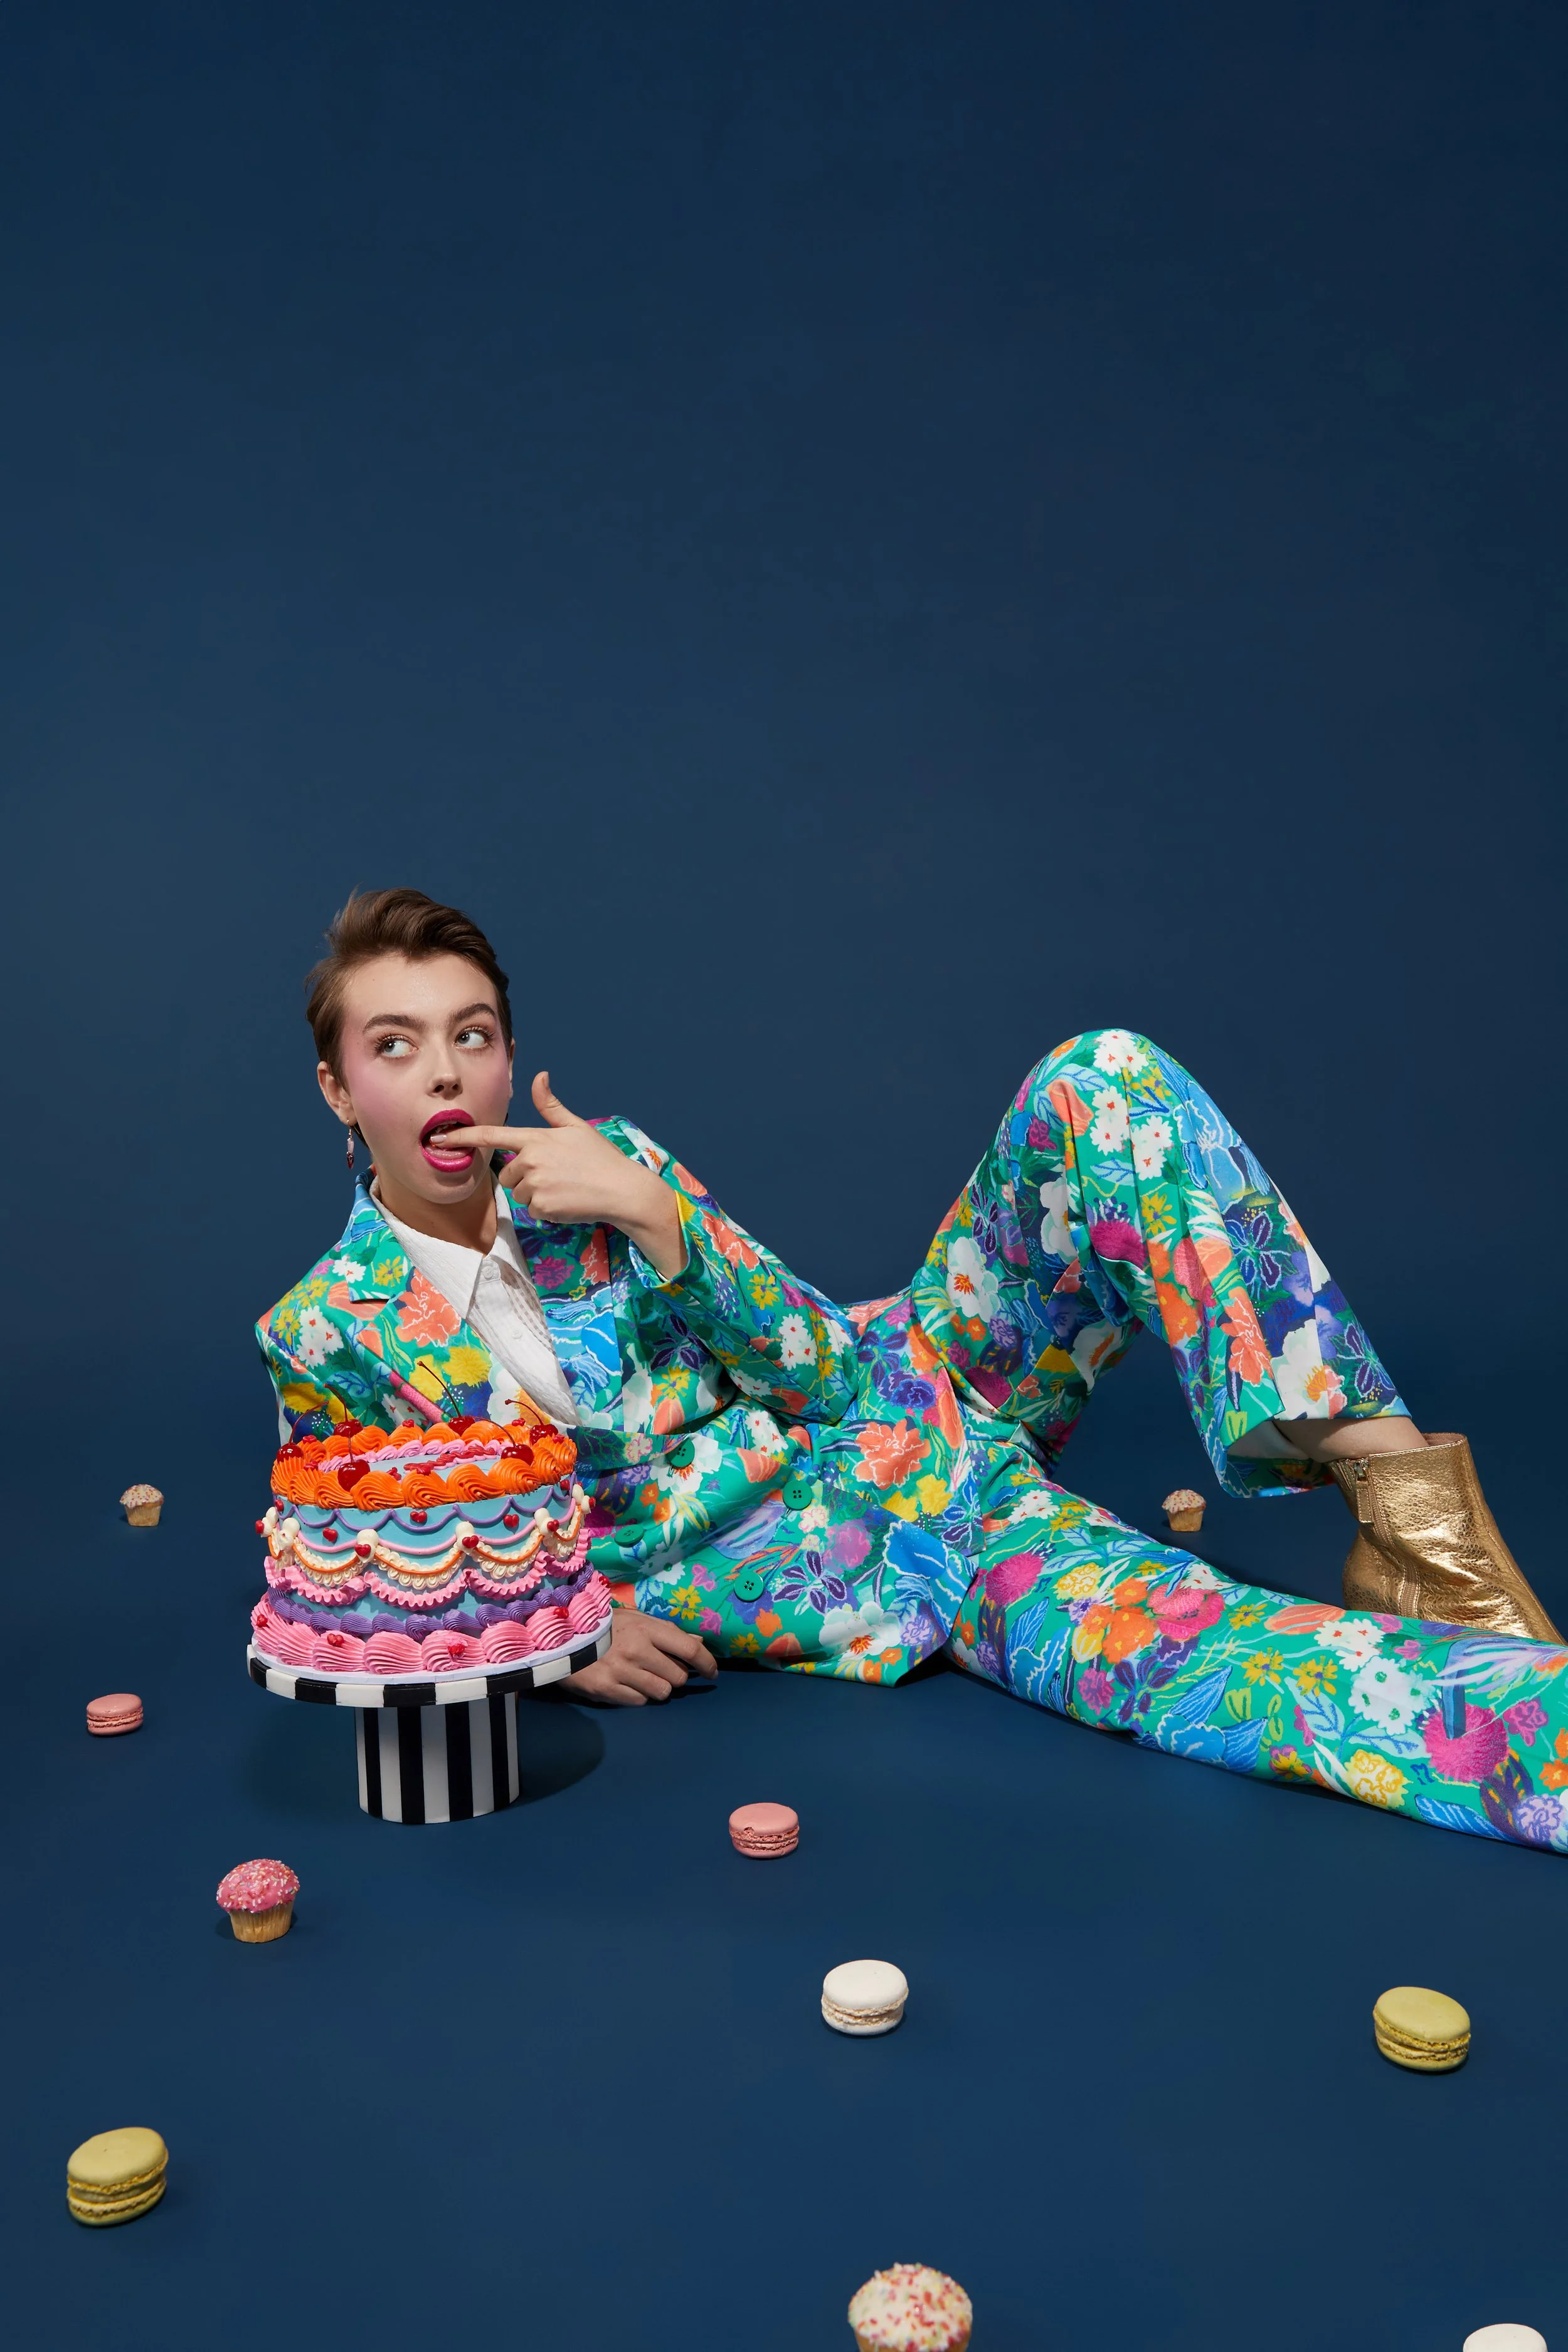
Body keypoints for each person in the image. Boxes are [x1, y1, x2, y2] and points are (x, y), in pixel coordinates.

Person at [258, 889, 1568, 1851]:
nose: (443, 1071)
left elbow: (822, 1368)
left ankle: (1404, 1504)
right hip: (893, 1557)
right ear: (335, 1089)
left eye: (471, 1033)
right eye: (396, 1045)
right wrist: (561, 1631)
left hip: (914, 1376)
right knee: (1225, 1663)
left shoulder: (598, 1167)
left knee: (1095, 1080)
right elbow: (366, 1574)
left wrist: (661, 1221)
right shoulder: (322, 1333)